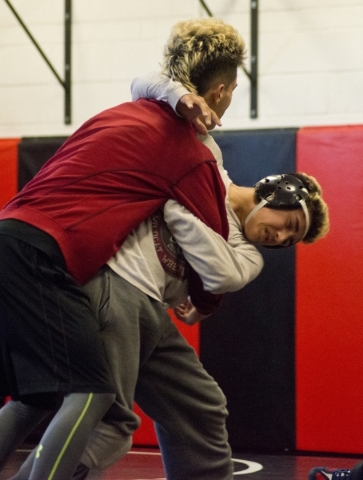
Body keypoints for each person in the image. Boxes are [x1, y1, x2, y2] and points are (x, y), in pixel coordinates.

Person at [66, 18, 327, 480]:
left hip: (152, 306)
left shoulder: (247, 255)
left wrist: (172, 202)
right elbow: (142, 83)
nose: (282, 238)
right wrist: (179, 95)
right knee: (109, 422)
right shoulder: (210, 162)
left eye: (291, 241)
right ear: (273, 193)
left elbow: (219, 274)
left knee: (204, 406)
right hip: (121, 283)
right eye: (288, 224)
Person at [0, 52, 231, 480]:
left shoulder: (124, 113)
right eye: (284, 229)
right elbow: (217, 246)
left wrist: (175, 90)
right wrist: (205, 300)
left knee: (36, 399)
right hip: (48, 254)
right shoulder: (191, 153)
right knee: (93, 394)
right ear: (218, 92)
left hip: (14, 235)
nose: (281, 240)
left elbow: (145, 81)